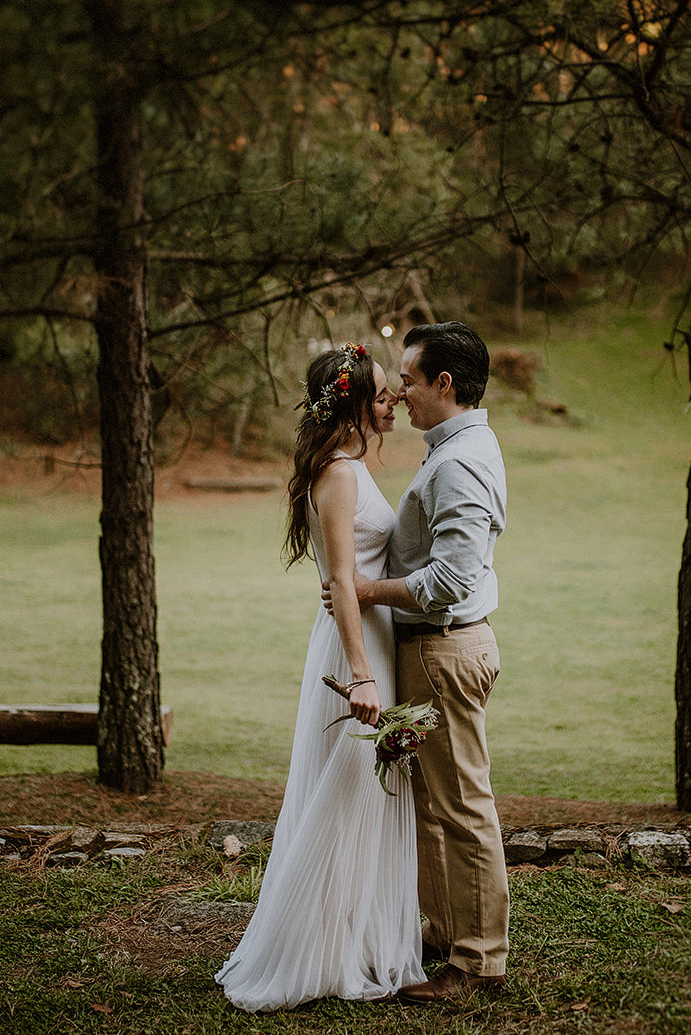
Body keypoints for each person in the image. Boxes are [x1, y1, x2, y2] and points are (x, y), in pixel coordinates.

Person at [214, 342, 425, 1011]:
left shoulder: (351, 468)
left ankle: (353, 940)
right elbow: (340, 578)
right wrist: (362, 676)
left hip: (369, 639)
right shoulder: (338, 475)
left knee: (366, 796)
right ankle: (318, 952)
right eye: (382, 394)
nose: (393, 402)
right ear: (355, 405)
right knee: (347, 791)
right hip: (352, 653)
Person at [328, 320, 510, 1004]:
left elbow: (451, 579)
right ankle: (447, 935)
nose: (399, 392)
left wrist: (364, 590)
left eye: (407, 380)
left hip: (443, 647)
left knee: (461, 806)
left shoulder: (458, 462)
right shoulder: (456, 448)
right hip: (432, 647)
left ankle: (480, 962)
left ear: (445, 383)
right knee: (430, 804)